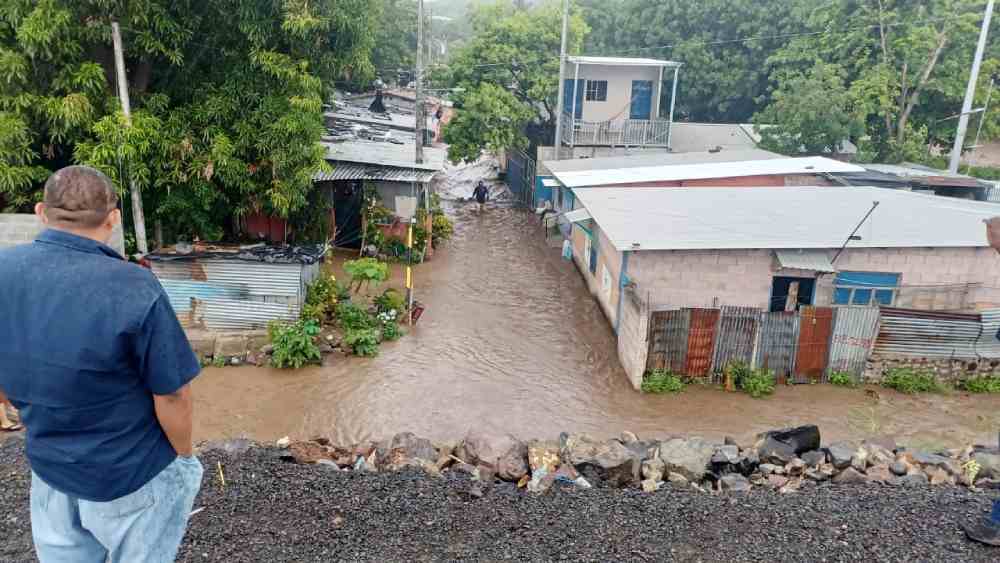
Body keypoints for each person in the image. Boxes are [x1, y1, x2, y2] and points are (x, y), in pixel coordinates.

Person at [0, 166, 203, 563]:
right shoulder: (135, 285)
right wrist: (183, 454)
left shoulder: (4, 272)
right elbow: (173, 394)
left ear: (41, 212)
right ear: (113, 219)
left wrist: (19, 404)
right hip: (131, 475)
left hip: (50, 471)